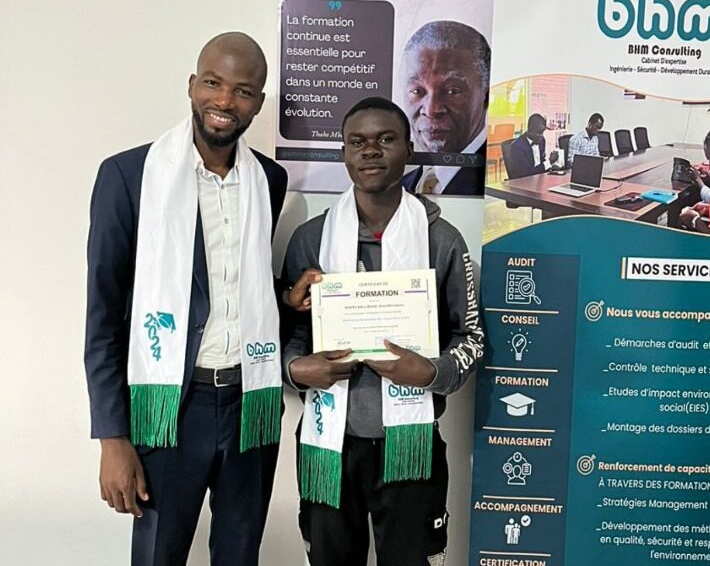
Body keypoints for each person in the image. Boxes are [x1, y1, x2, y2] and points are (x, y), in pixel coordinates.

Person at [84, 32, 311, 565]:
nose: (225, 101)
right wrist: (112, 437)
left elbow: (240, 285)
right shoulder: (129, 176)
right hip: (170, 408)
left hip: (249, 403)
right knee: (158, 555)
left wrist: (286, 298)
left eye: (243, 91)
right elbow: (103, 314)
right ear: (191, 85)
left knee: (239, 555)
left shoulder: (269, 179)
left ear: (258, 102)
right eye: (213, 83)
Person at [282, 96, 484, 565]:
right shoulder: (311, 239)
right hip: (329, 447)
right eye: (357, 142)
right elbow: (287, 330)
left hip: (410, 446)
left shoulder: (441, 240)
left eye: (385, 139)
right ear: (343, 154)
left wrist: (431, 372)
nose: (370, 151)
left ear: (409, 149)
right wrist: (294, 368)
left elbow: (471, 338)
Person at [399, 20, 491, 195]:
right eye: (417, 91)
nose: (431, 110)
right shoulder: (401, 187)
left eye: (452, 91)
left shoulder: (498, 188)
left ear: (486, 96)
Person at [507, 114, 559, 179]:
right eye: (539, 132)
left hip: (539, 179)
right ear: (530, 129)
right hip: (524, 181)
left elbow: (541, 161)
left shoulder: (542, 141)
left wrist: (550, 167)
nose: (541, 136)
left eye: (543, 132)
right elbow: (526, 173)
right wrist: (549, 162)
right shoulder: (517, 146)